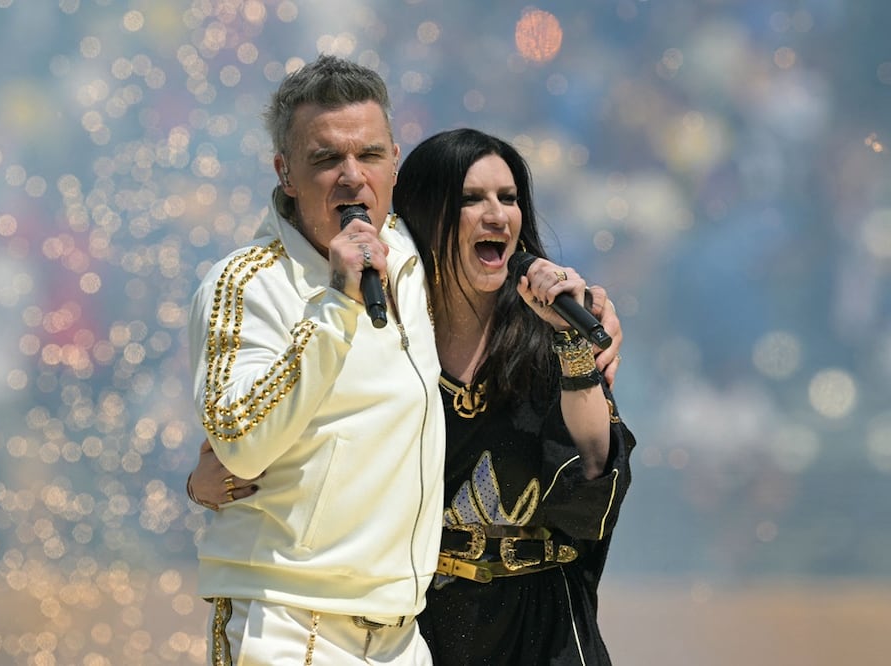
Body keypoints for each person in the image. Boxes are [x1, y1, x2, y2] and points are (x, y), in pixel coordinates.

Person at [191, 128, 634, 664]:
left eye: (509, 198)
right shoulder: (388, 338)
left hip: (543, 626)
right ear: (424, 215)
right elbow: (313, 439)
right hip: (420, 628)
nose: (496, 214)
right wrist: (203, 483)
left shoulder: (546, 329)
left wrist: (573, 343)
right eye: (471, 199)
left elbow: (593, 481)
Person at [187, 55, 446, 664]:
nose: (352, 176)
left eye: (370, 155)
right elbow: (240, 442)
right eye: (326, 159)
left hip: (401, 634)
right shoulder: (247, 282)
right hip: (288, 623)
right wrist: (336, 303)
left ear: (395, 163)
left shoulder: (416, 256)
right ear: (286, 173)